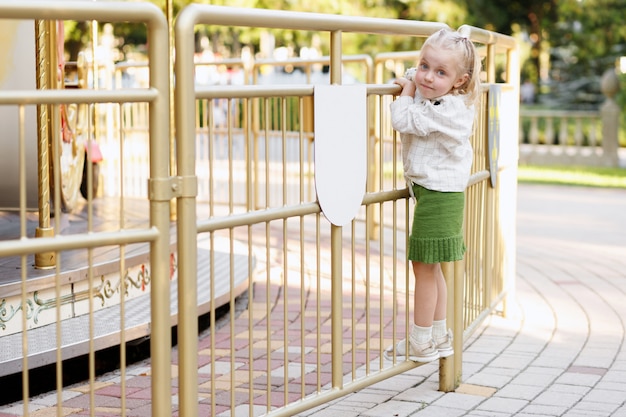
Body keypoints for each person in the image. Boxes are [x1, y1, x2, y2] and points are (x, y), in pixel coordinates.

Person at [385, 28, 482, 362]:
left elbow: (402, 118)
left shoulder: (448, 110)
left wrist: (408, 89)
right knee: (433, 268)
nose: (427, 77)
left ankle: (420, 340)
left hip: (440, 195)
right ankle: (438, 336)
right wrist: (416, 78)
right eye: (424, 66)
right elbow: (420, 79)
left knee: (423, 267)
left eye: (441, 72)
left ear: (460, 80)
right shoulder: (444, 96)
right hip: (438, 193)